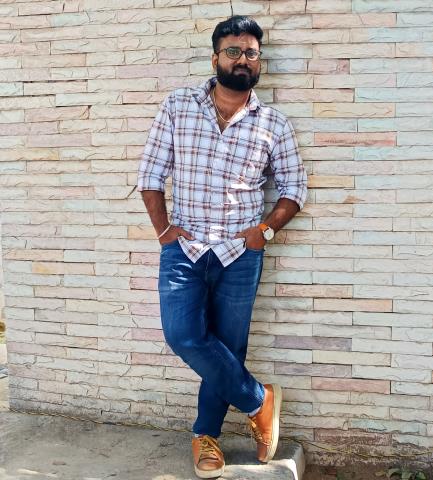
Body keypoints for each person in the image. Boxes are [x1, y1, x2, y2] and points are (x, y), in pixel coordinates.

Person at [137, 15, 307, 479]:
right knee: (183, 336)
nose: (243, 59)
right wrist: (163, 230)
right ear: (215, 58)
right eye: (233, 51)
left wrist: (264, 231)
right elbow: (150, 175)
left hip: (240, 254)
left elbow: (294, 189)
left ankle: (206, 435)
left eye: (251, 53)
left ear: (259, 62)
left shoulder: (273, 123)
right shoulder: (179, 106)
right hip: (185, 249)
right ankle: (258, 400)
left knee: (229, 346)